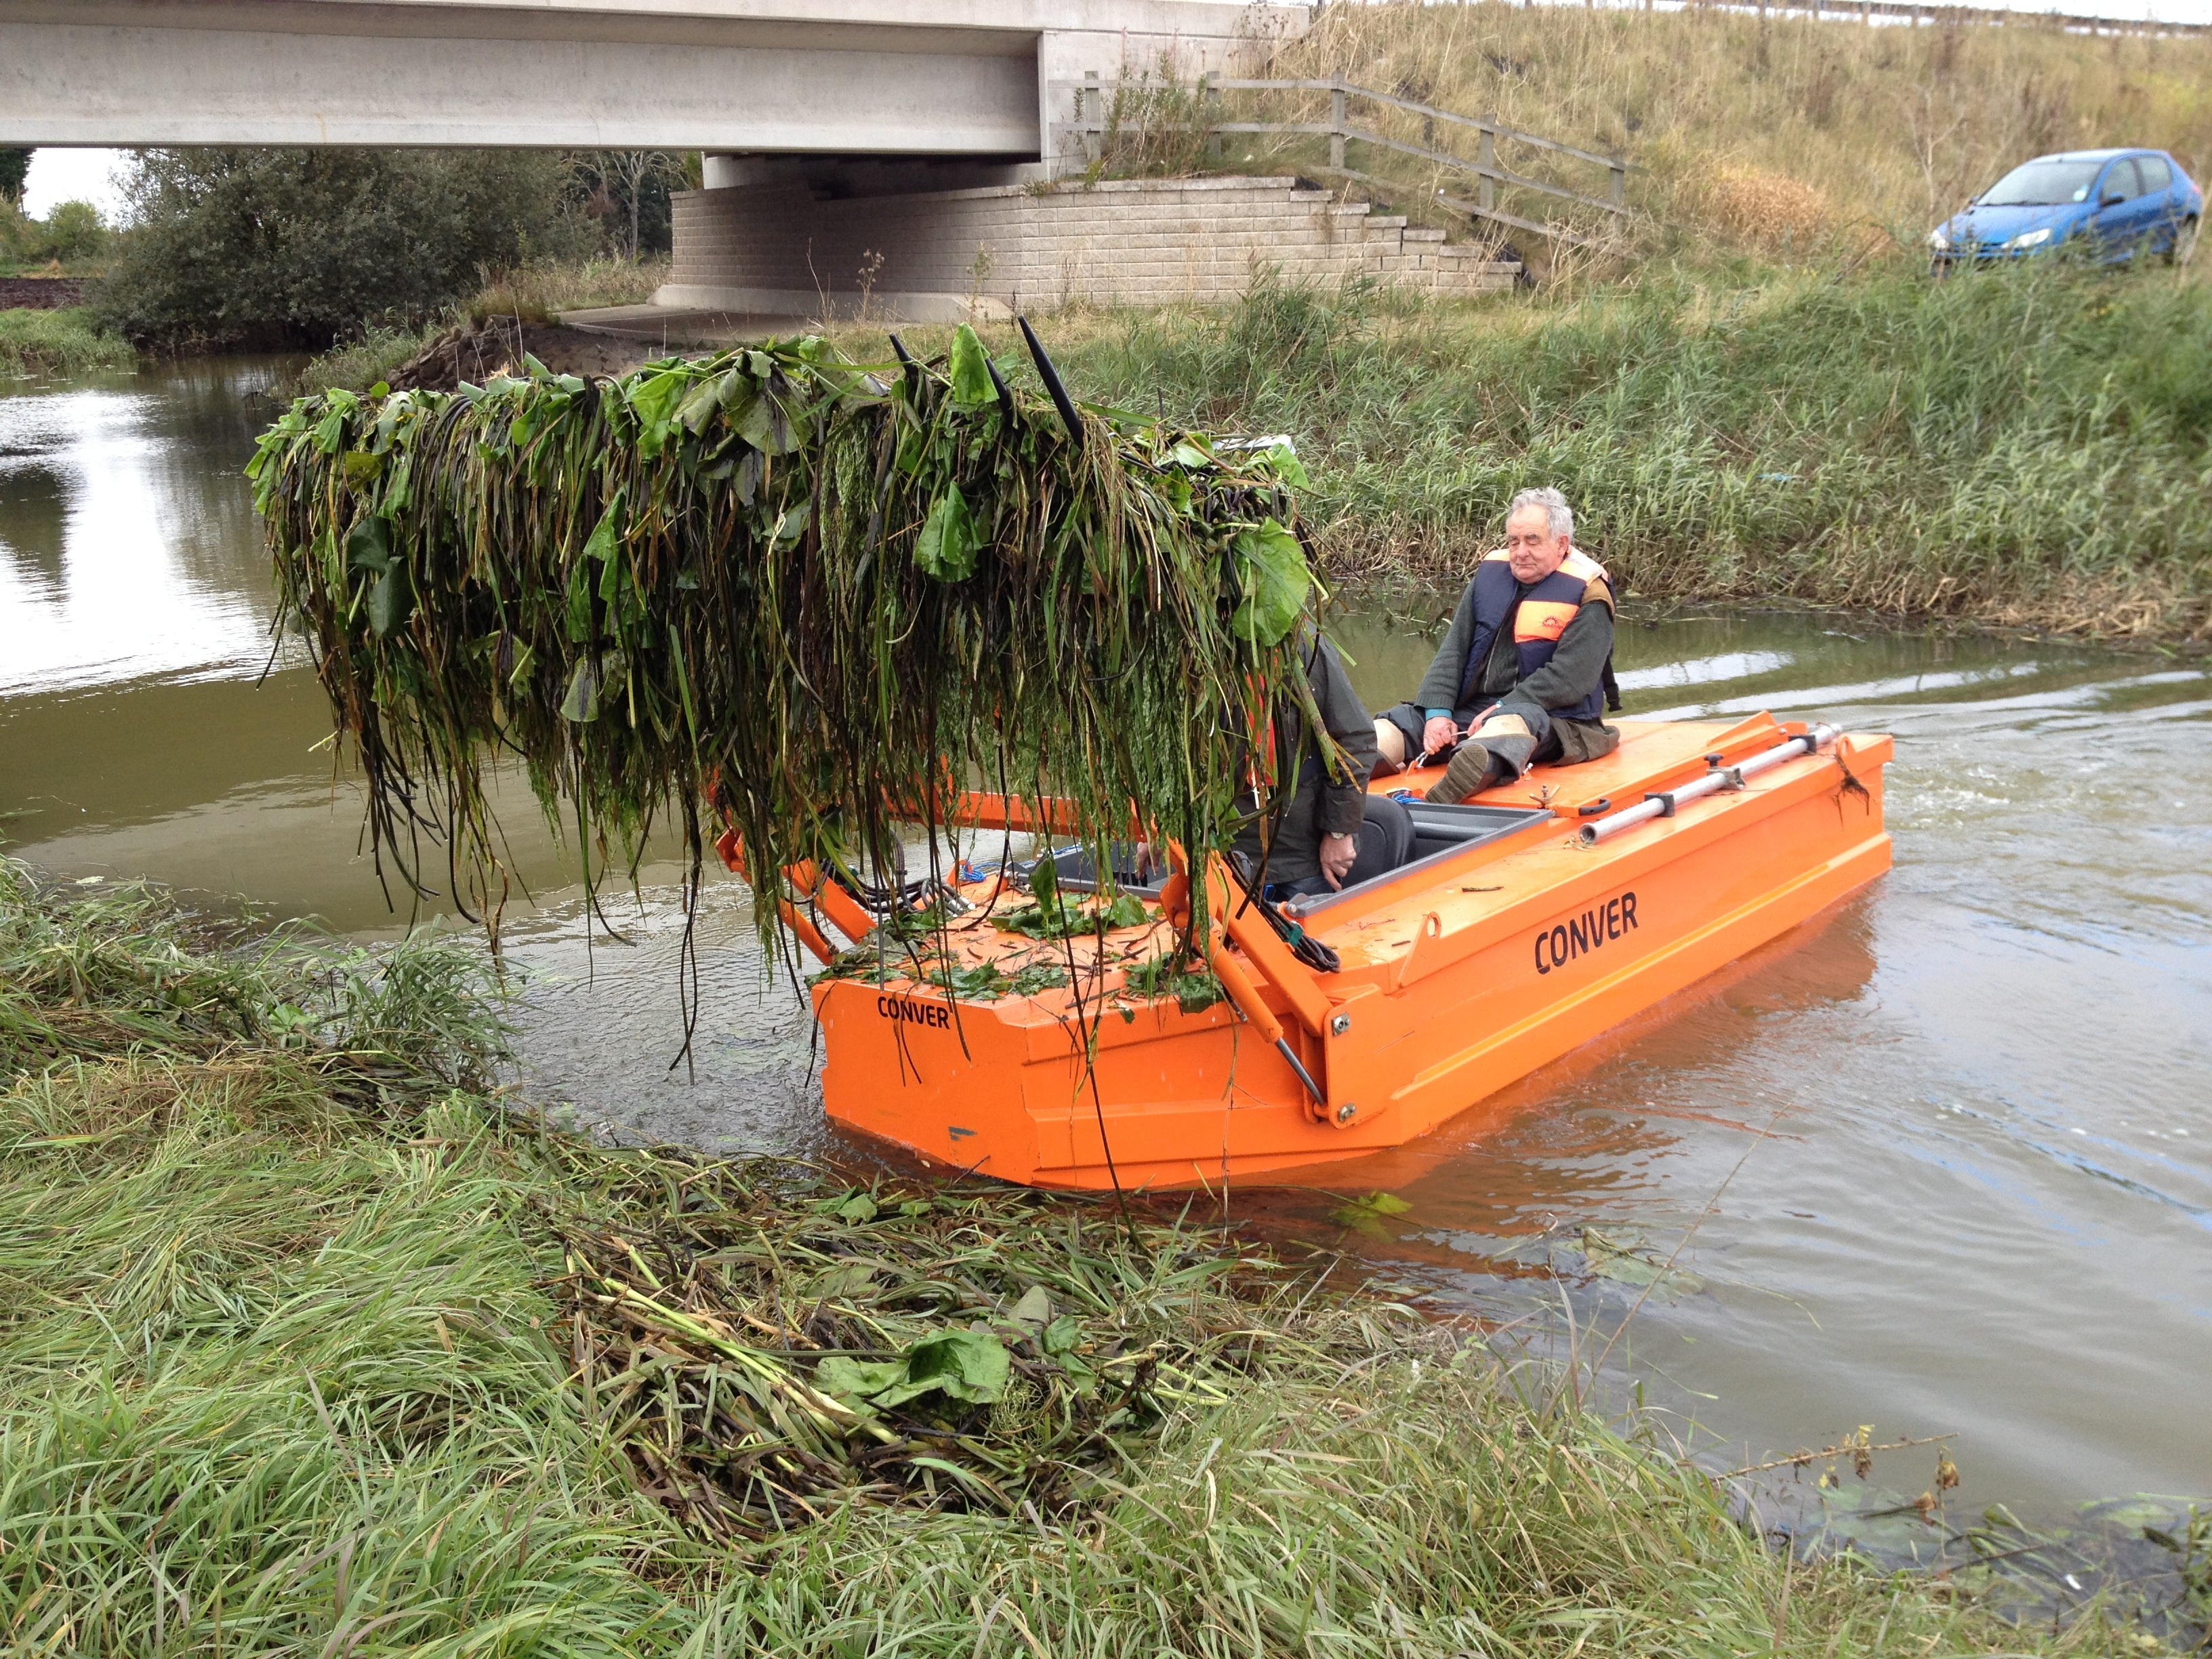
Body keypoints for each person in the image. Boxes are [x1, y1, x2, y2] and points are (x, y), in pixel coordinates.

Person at [1374, 487, 1620, 804]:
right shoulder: (1489, 578)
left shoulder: (1591, 594)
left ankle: (1470, 772)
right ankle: (1359, 762)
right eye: (1513, 541)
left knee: (1511, 724)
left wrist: (1502, 708)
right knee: (1403, 721)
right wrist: (1437, 712)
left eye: (1533, 540)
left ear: (1562, 544)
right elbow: (1454, 650)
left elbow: (1572, 678)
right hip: (1479, 711)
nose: (1520, 552)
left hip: (1557, 720)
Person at [1234, 630, 1414, 899]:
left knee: (1306, 932)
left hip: (1301, 853)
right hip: (1225, 854)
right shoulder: (1189, 646)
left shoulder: (1301, 643)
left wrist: (1339, 832)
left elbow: (1356, 739)